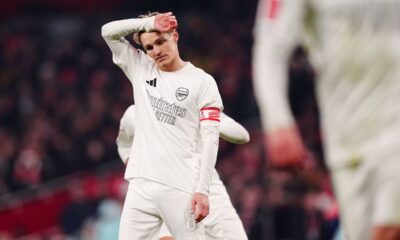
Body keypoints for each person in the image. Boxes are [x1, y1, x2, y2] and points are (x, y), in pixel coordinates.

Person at [252, 1, 400, 240]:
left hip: (395, 125)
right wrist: (277, 119)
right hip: (347, 144)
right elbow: (271, 48)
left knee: (389, 231)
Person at [102, 12, 223, 239]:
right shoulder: (140, 68)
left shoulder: (202, 82)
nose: (155, 51)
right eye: (149, 47)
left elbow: (210, 139)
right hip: (141, 185)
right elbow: (107, 32)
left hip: (180, 186)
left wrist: (202, 190)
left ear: (174, 36)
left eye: (160, 42)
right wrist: (147, 23)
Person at [116, 104, 249, 240]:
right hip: (168, 189)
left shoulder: (194, 106)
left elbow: (242, 135)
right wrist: (131, 161)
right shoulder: (135, 112)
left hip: (210, 193)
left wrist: (205, 118)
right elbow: (124, 144)